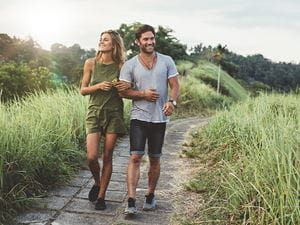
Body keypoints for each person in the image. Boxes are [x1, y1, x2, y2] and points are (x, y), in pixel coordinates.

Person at [118, 24, 180, 215]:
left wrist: (172, 102)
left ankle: (150, 196)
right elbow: (123, 91)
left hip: (159, 119)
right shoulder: (130, 65)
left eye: (152, 38)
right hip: (139, 117)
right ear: (138, 42)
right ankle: (130, 200)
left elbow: (175, 85)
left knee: (154, 158)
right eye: (145, 39)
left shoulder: (166, 60)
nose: (150, 42)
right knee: (135, 156)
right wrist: (143, 94)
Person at [80, 30, 130, 210]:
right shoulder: (90, 63)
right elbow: (83, 90)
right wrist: (99, 86)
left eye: (105, 40)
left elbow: (128, 90)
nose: (101, 42)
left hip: (114, 114)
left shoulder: (121, 65)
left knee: (108, 156)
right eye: (100, 39)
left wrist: (124, 86)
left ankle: (101, 198)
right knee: (92, 157)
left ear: (114, 44)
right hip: (94, 113)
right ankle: (97, 181)